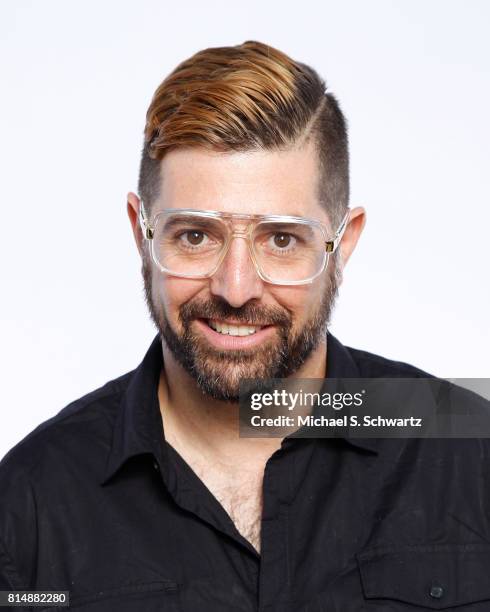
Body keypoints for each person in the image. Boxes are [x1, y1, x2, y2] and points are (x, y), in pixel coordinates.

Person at [1, 41, 489, 612]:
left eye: (281, 239)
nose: (235, 289)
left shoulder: (470, 449)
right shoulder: (28, 503)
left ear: (342, 243)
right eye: (194, 236)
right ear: (142, 233)